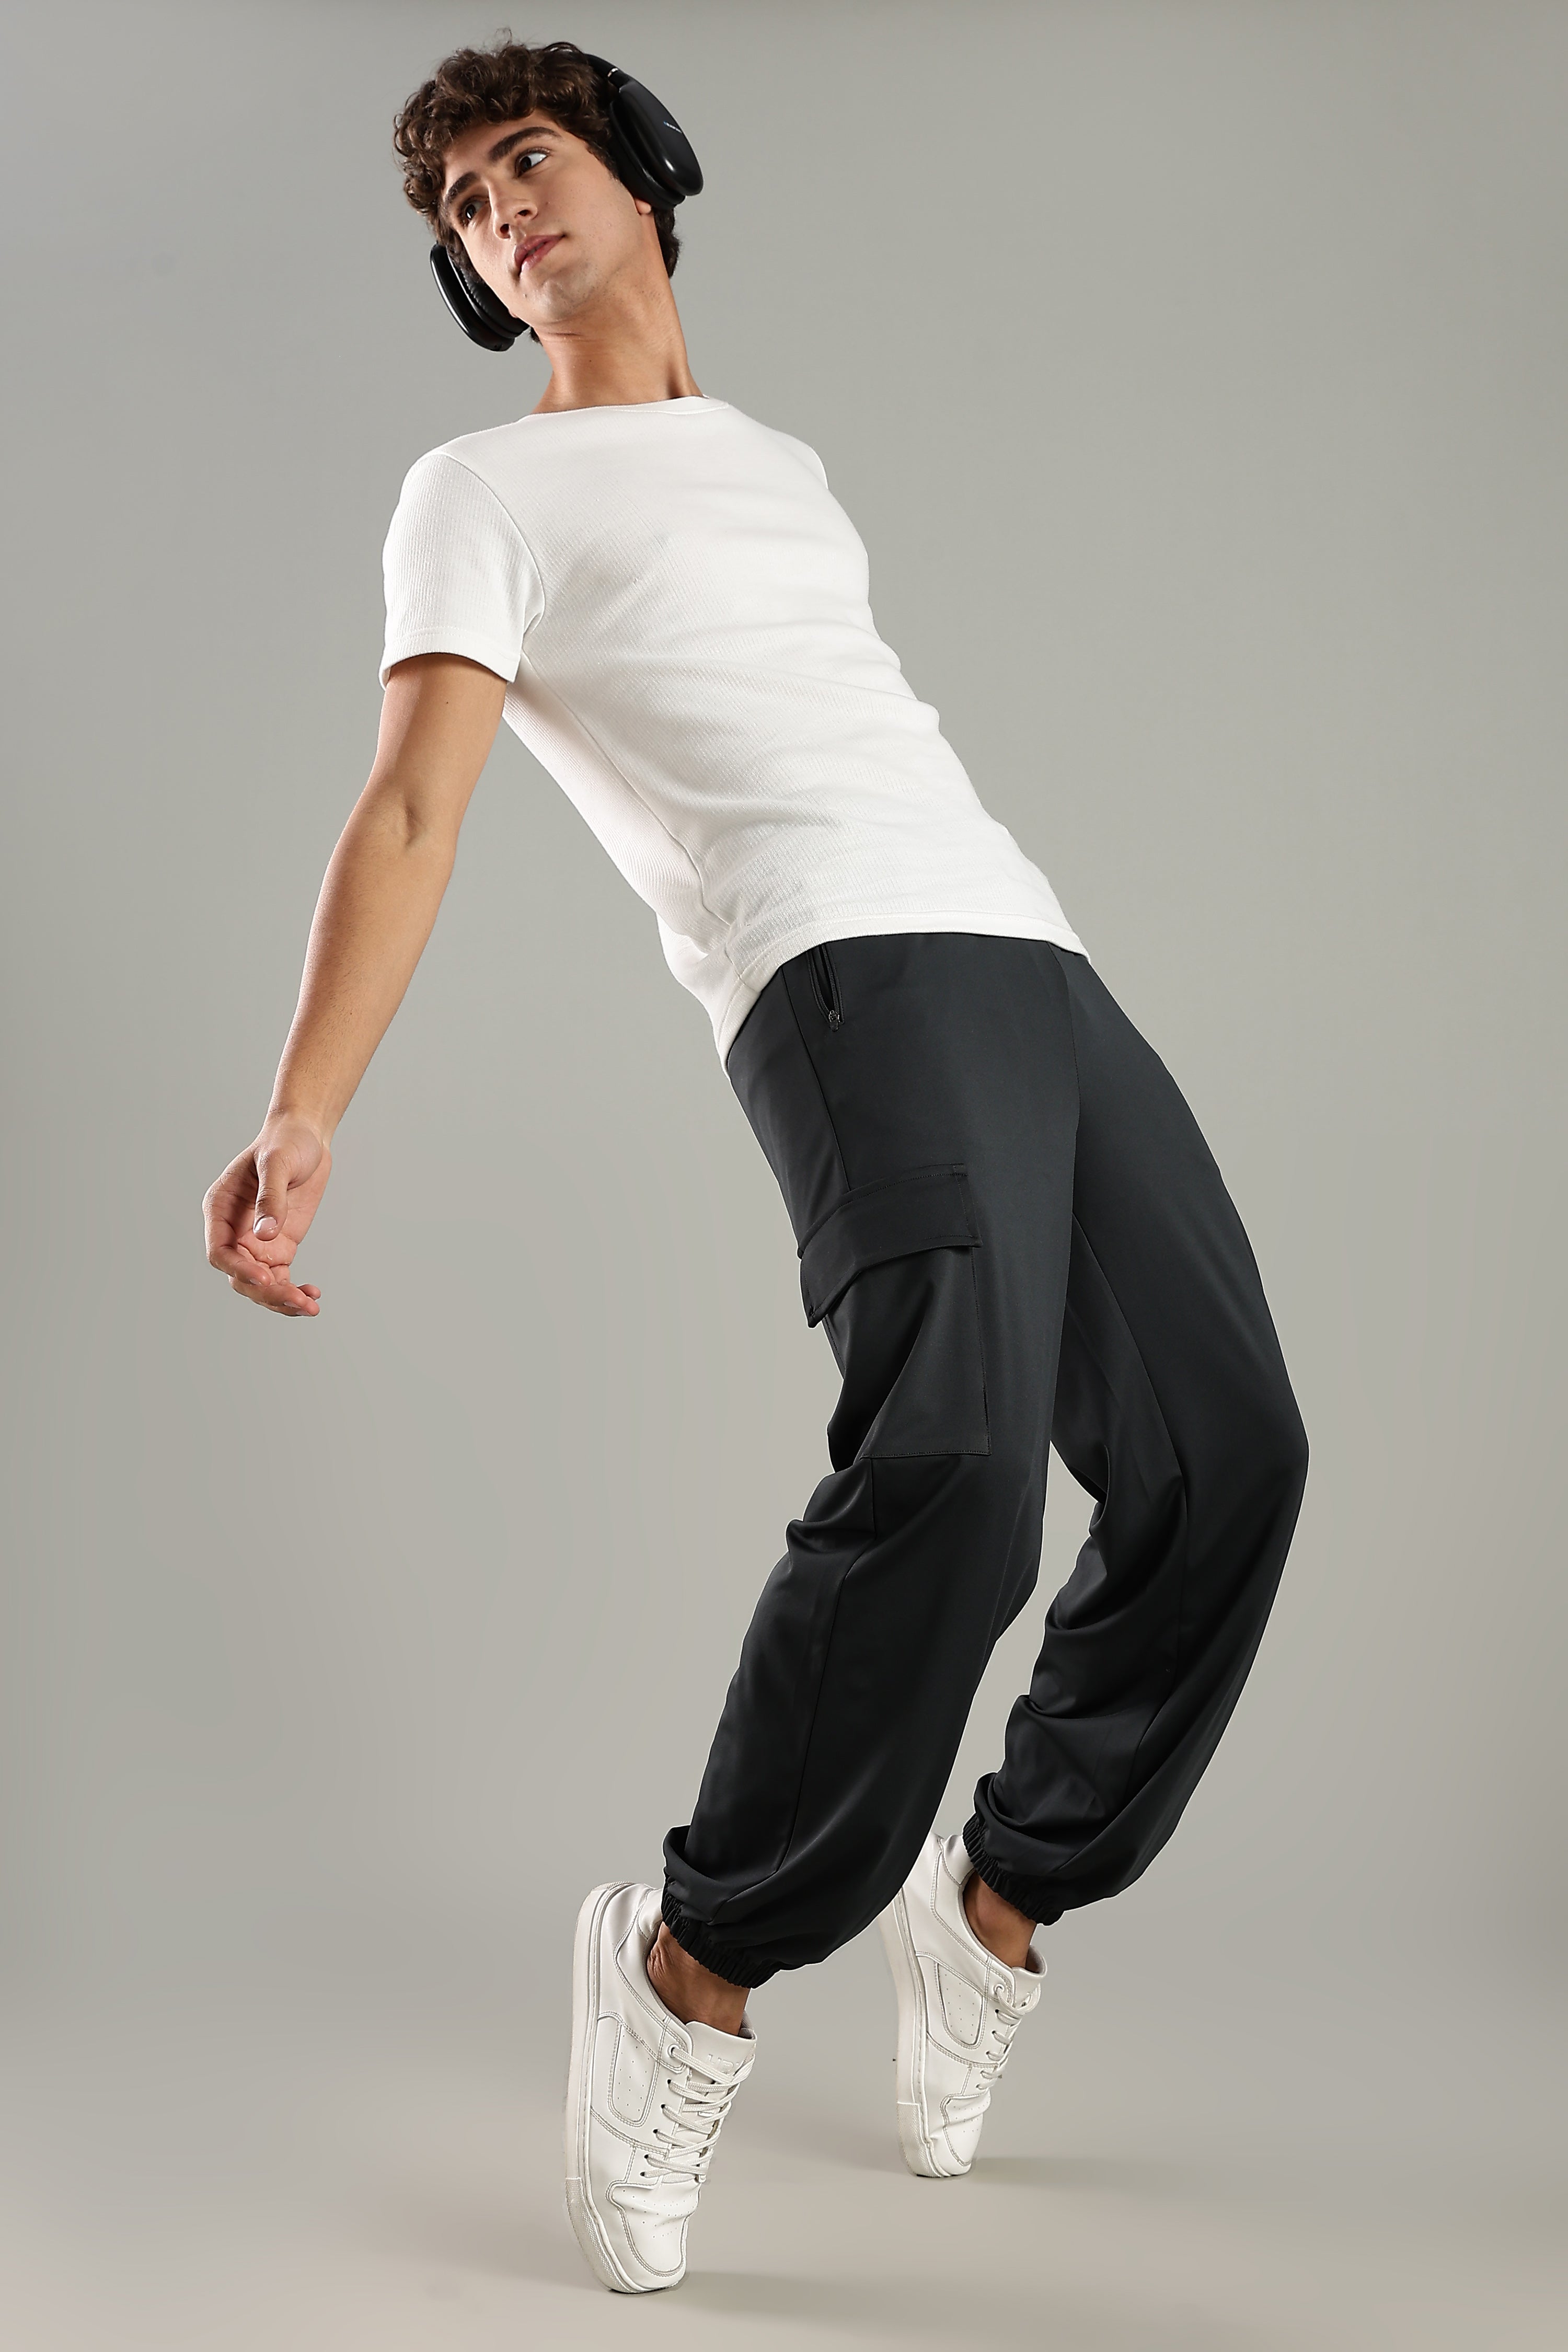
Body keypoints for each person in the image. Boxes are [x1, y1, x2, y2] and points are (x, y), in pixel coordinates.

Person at [202, 37, 1308, 2297]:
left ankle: (997, 1905)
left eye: (528, 162)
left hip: (1027, 951)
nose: (501, 213)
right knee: (959, 1470)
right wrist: (309, 1102)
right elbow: (410, 805)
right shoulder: (480, 495)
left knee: (1231, 1458)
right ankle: (689, 1964)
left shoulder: (781, 467)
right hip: (836, 974)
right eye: (465, 209)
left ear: (644, 172)